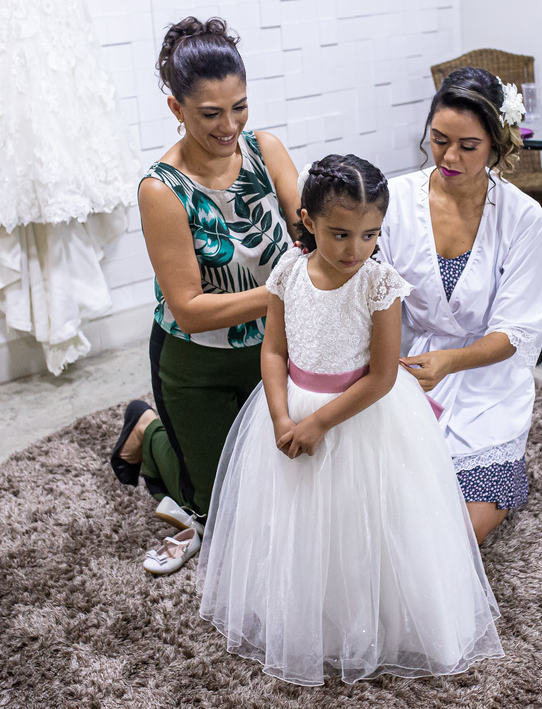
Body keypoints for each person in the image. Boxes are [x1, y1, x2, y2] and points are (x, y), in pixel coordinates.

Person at [197, 155, 503, 686]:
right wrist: (280, 416)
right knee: (298, 521)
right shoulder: (289, 272)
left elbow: (383, 376)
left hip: (361, 417)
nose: (355, 250)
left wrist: (320, 424)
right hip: (293, 407)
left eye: (370, 235)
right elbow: (273, 352)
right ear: (309, 221)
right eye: (340, 234)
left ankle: (371, 621)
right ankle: (309, 616)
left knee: (369, 523)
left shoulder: (378, 285)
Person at [108, 17, 301, 558]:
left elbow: (305, 226)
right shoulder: (161, 188)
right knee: (220, 511)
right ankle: (149, 435)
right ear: (176, 109)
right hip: (196, 360)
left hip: (273, 346)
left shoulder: (267, 149)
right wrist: (287, 291)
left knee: (285, 486)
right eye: (211, 114)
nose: (230, 126)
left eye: (239, 107)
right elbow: (189, 309)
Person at [379, 66, 542, 544]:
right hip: (406, 365)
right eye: (438, 140)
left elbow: (516, 332)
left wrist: (452, 361)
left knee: (457, 531)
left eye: (467, 146)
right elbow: (375, 296)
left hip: (486, 378)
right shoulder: (393, 200)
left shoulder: (522, 218)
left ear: (496, 145)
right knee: (386, 503)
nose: (449, 156)